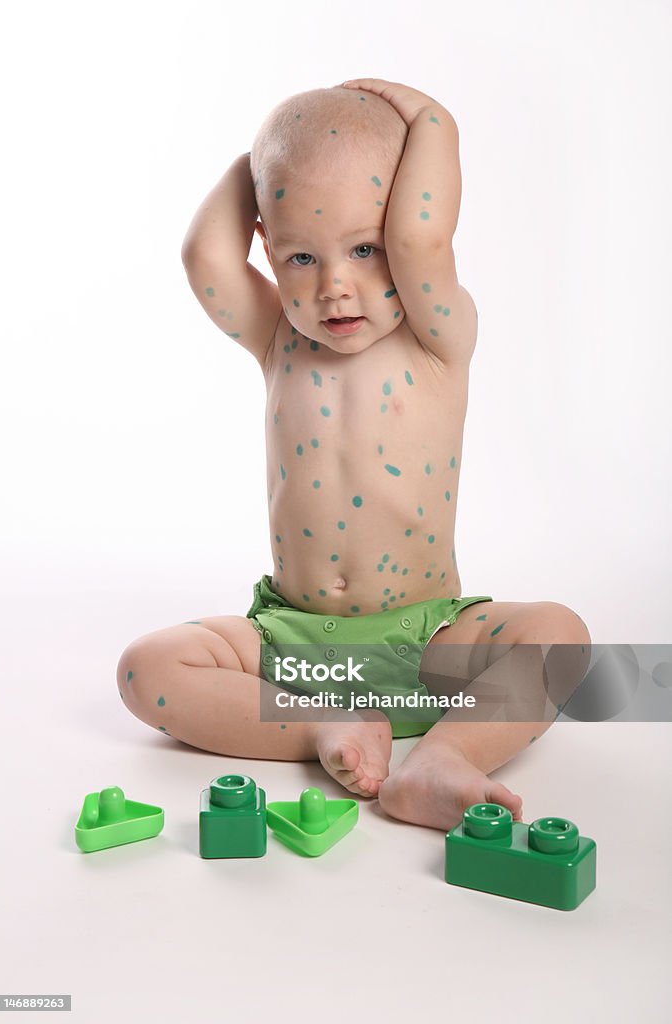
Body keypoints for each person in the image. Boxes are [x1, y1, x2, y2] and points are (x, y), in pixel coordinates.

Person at [117, 79, 590, 831]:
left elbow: (421, 238)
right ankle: (322, 727)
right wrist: (266, 164)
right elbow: (204, 253)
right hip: (293, 654)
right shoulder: (278, 341)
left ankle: (447, 756)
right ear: (267, 246)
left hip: (427, 641)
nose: (335, 288)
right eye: (302, 256)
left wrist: (430, 119)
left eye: (364, 248)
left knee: (559, 636)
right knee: (148, 667)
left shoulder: (439, 337)